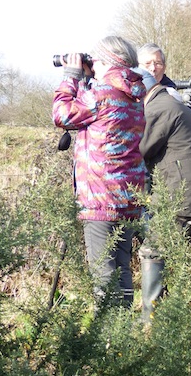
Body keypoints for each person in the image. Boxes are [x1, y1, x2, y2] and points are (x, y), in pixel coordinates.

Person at [52, 36, 147, 305]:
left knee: (103, 272)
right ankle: (124, 333)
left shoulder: (101, 94)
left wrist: (71, 77)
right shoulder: (134, 94)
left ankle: (108, 337)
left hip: (100, 199)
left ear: (107, 62)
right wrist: (84, 82)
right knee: (122, 268)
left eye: (96, 61)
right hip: (128, 197)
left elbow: (62, 114)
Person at [133, 68, 191, 322]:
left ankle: (151, 323)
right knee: (183, 261)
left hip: (182, 199)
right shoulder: (174, 104)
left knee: (154, 252)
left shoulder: (158, 108)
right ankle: (182, 321)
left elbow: (139, 151)